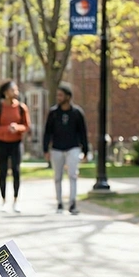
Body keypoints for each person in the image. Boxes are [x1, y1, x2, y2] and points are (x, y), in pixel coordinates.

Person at [43, 83, 89, 215]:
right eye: (57, 95)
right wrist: (45, 149)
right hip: (57, 148)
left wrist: (85, 151)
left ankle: (73, 203)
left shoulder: (77, 113)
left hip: (73, 148)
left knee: (73, 175)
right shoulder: (53, 113)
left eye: (61, 95)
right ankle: (59, 203)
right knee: (57, 177)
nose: (58, 97)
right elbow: (47, 132)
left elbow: (83, 132)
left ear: (68, 97)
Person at [0, 80, 31, 213]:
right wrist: (7, 129)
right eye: (13, 90)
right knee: (2, 171)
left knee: (16, 171)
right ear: (6, 93)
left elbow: (26, 125)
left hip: (16, 143)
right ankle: (3, 200)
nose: (16, 92)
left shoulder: (21, 108)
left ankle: (16, 200)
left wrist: (17, 127)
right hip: (2, 143)